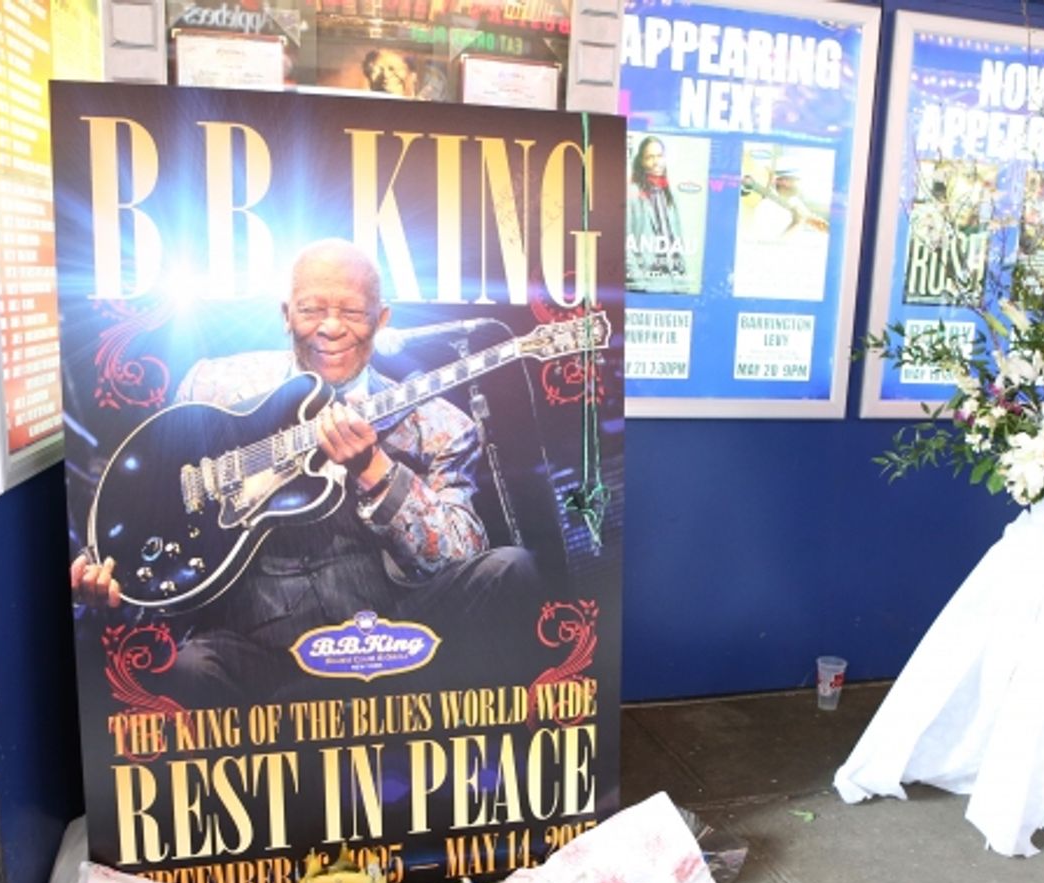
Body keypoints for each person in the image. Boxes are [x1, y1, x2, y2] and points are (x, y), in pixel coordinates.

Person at [71, 238, 540, 701]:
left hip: (391, 632)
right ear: (285, 315)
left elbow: (458, 555)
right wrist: (114, 572)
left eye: (353, 313)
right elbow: (157, 491)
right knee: (189, 668)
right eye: (311, 309)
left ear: (381, 320)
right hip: (259, 644)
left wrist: (376, 470)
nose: (330, 328)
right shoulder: (217, 386)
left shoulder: (439, 425)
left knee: (511, 569)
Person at [625, 135, 687, 290]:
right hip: (647, 285)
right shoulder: (632, 194)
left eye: (659, 156)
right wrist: (639, 284)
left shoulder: (671, 194)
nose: (656, 162)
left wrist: (683, 283)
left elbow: (677, 242)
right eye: (650, 157)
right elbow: (624, 244)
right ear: (641, 161)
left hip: (673, 284)